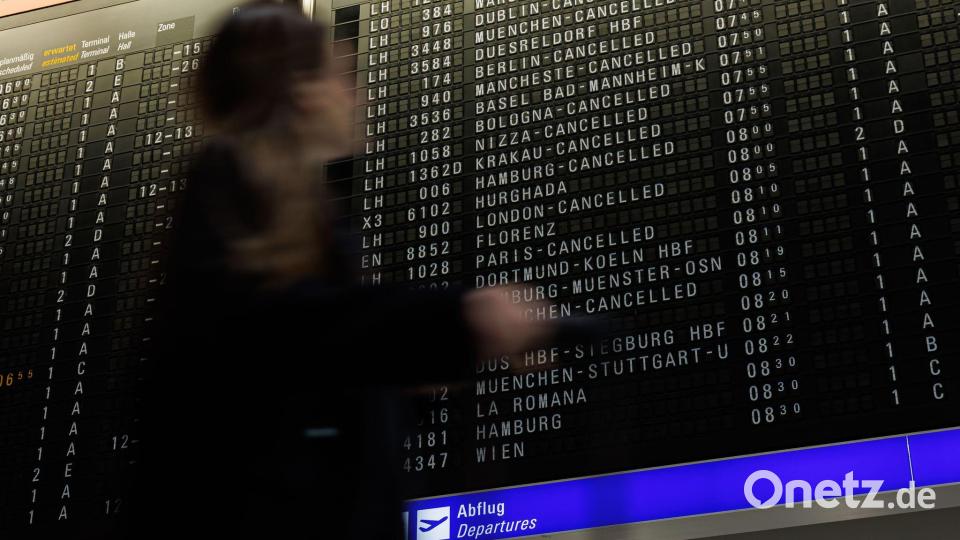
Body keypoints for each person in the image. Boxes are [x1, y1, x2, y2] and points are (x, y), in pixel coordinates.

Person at [124, 2, 554, 538]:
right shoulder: (226, 180)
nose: (360, 95)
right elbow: (281, 333)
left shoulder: (307, 222)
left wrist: (411, 382)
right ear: (298, 90)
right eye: (342, 75)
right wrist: (457, 317)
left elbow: (311, 379)